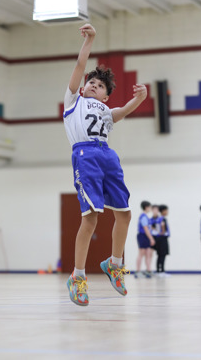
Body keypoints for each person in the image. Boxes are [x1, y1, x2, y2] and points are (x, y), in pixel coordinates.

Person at [63, 23, 147, 306]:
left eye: (99, 86)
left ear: (105, 96)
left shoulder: (107, 111)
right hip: (85, 156)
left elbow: (121, 112)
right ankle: (77, 276)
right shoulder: (74, 100)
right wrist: (90, 40)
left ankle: (114, 263)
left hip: (108, 156)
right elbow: (79, 65)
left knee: (124, 214)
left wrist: (139, 99)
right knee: (91, 218)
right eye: (91, 82)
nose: (93, 85)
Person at [135, 201, 155, 278]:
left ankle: (148, 270)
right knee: (141, 253)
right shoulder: (143, 216)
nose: (150, 208)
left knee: (148, 253)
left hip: (146, 236)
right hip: (143, 236)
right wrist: (151, 238)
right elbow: (146, 229)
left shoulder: (146, 216)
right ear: (146, 207)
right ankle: (138, 271)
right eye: (149, 207)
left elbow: (149, 228)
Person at [156, 204, 170, 276]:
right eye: (166, 210)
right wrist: (163, 232)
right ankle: (161, 271)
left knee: (160, 255)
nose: (167, 212)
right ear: (163, 211)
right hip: (162, 239)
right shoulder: (162, 219)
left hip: (160, 239)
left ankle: (159, 271)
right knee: (162, 254)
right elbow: (161, 230)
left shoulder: (159, 219)